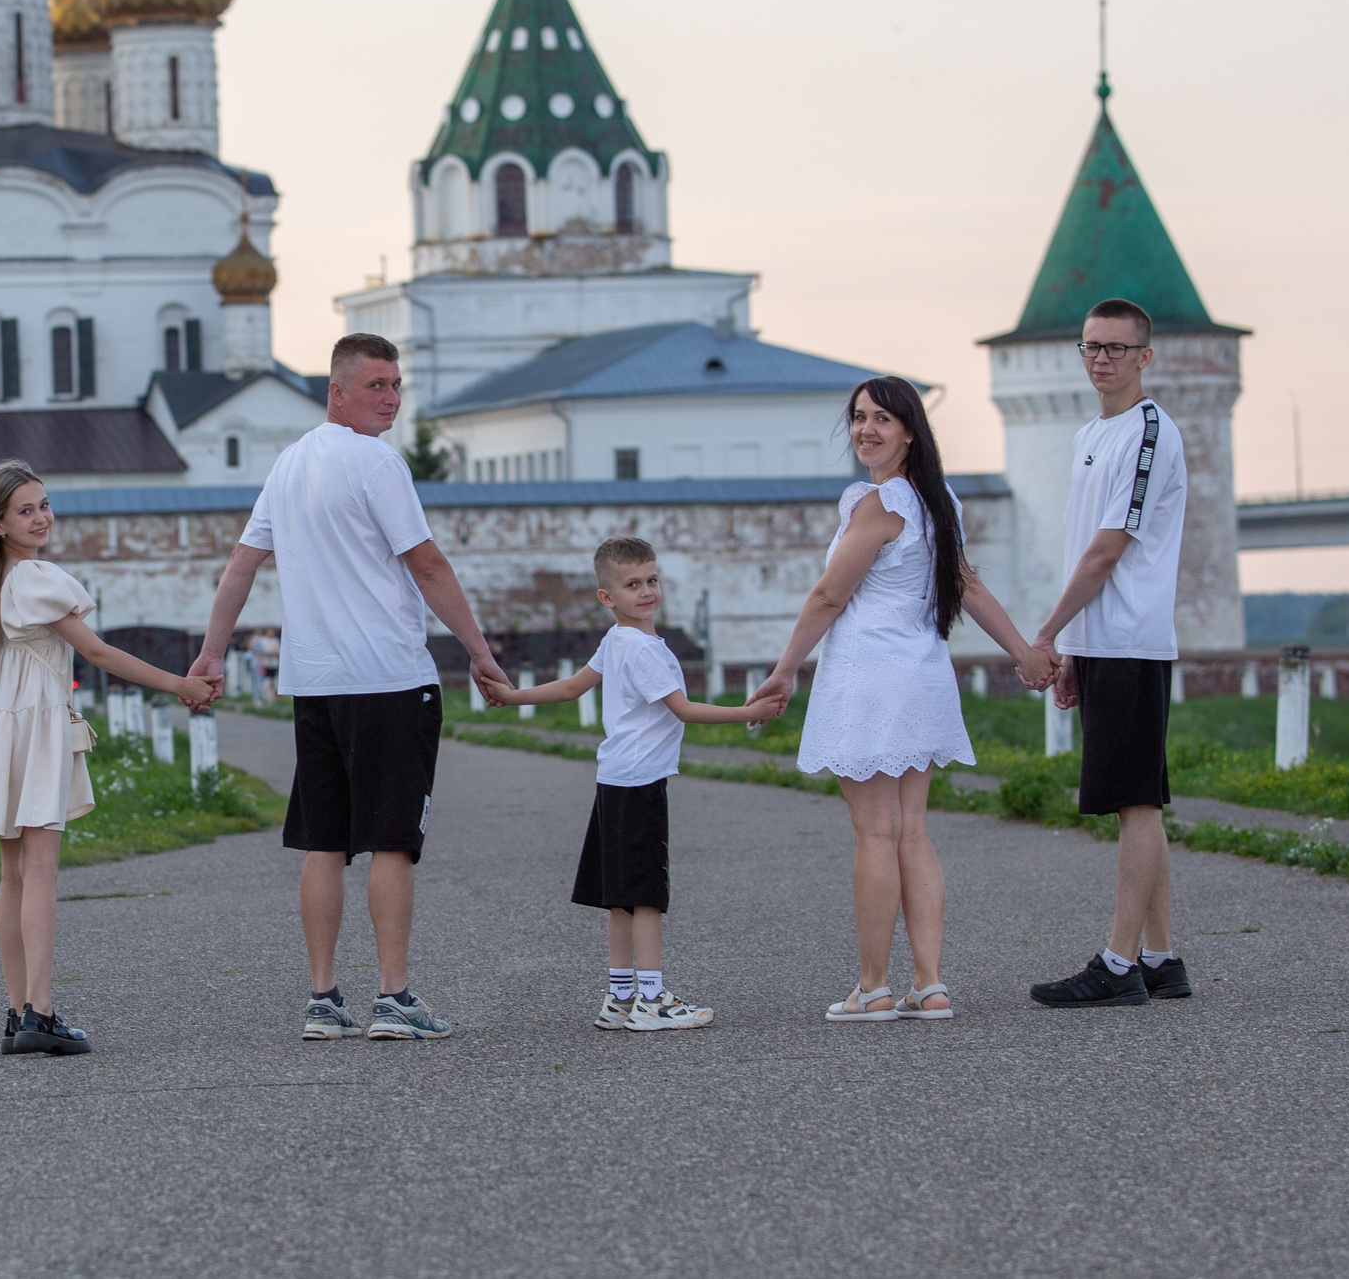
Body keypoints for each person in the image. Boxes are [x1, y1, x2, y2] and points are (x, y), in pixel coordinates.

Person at [190, 333, 510, 1043]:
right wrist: (479, 652)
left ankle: (323, 999)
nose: (391, 397)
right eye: (375, 385)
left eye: (397, 385)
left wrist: (213, 653)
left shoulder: (290, 462)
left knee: (325, 840)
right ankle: (393, 997)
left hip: (318, 682)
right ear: (336, 391)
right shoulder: (375, 460)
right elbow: (426, 564)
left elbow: (242, 564)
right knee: (391, 840)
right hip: (389, 678)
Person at [749, 376, 1054, 1021]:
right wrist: (1023, 652)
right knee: (912, 832)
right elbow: (965, 585)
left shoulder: (881, 505)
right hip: (921, 673)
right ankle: (932, 983)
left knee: (876, 834)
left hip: (868, 676)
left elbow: (829, 596)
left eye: (883, 419)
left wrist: (784, 670)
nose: (866, 429)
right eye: (858, 418)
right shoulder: (936, 500)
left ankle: (875, 986)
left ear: (911, 430)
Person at [0, 460, 218, 1056]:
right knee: (39, 871)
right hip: (34, 733)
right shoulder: (36, 579)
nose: (41, 517)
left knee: (14, 875)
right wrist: (179, 684)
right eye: (26, 510)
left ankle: (19, 1010)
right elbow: (97, 653)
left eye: (44, 505)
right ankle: (40, 1014)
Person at [487, 537, 776, 1031]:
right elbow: (682, 709)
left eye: (652, 580)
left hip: (614, 778)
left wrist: (512, 697)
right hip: (640, 781)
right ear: (607, 597)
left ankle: (620, 997)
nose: (646, 592)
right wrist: (748, 713)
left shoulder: (618, 641)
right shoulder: (641, 649)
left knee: (620, 895)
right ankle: (651, 1000)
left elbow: (573, 686)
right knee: (644, 895)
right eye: (632, 584)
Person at [1025, 300, 1194, 1008]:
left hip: (1129, 637)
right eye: (1093, 346)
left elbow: (1107, 549)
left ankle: (1119, 963)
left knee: (1135, 802)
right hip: (1101, 640)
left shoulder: (1149, 430)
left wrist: (1048, 633)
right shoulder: (1090, 432)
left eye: (1119, 348)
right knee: (1139, 797)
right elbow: (1084, 548)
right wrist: (1073, 646)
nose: (1103, 359)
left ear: (1144, 357)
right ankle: (1160, 957)